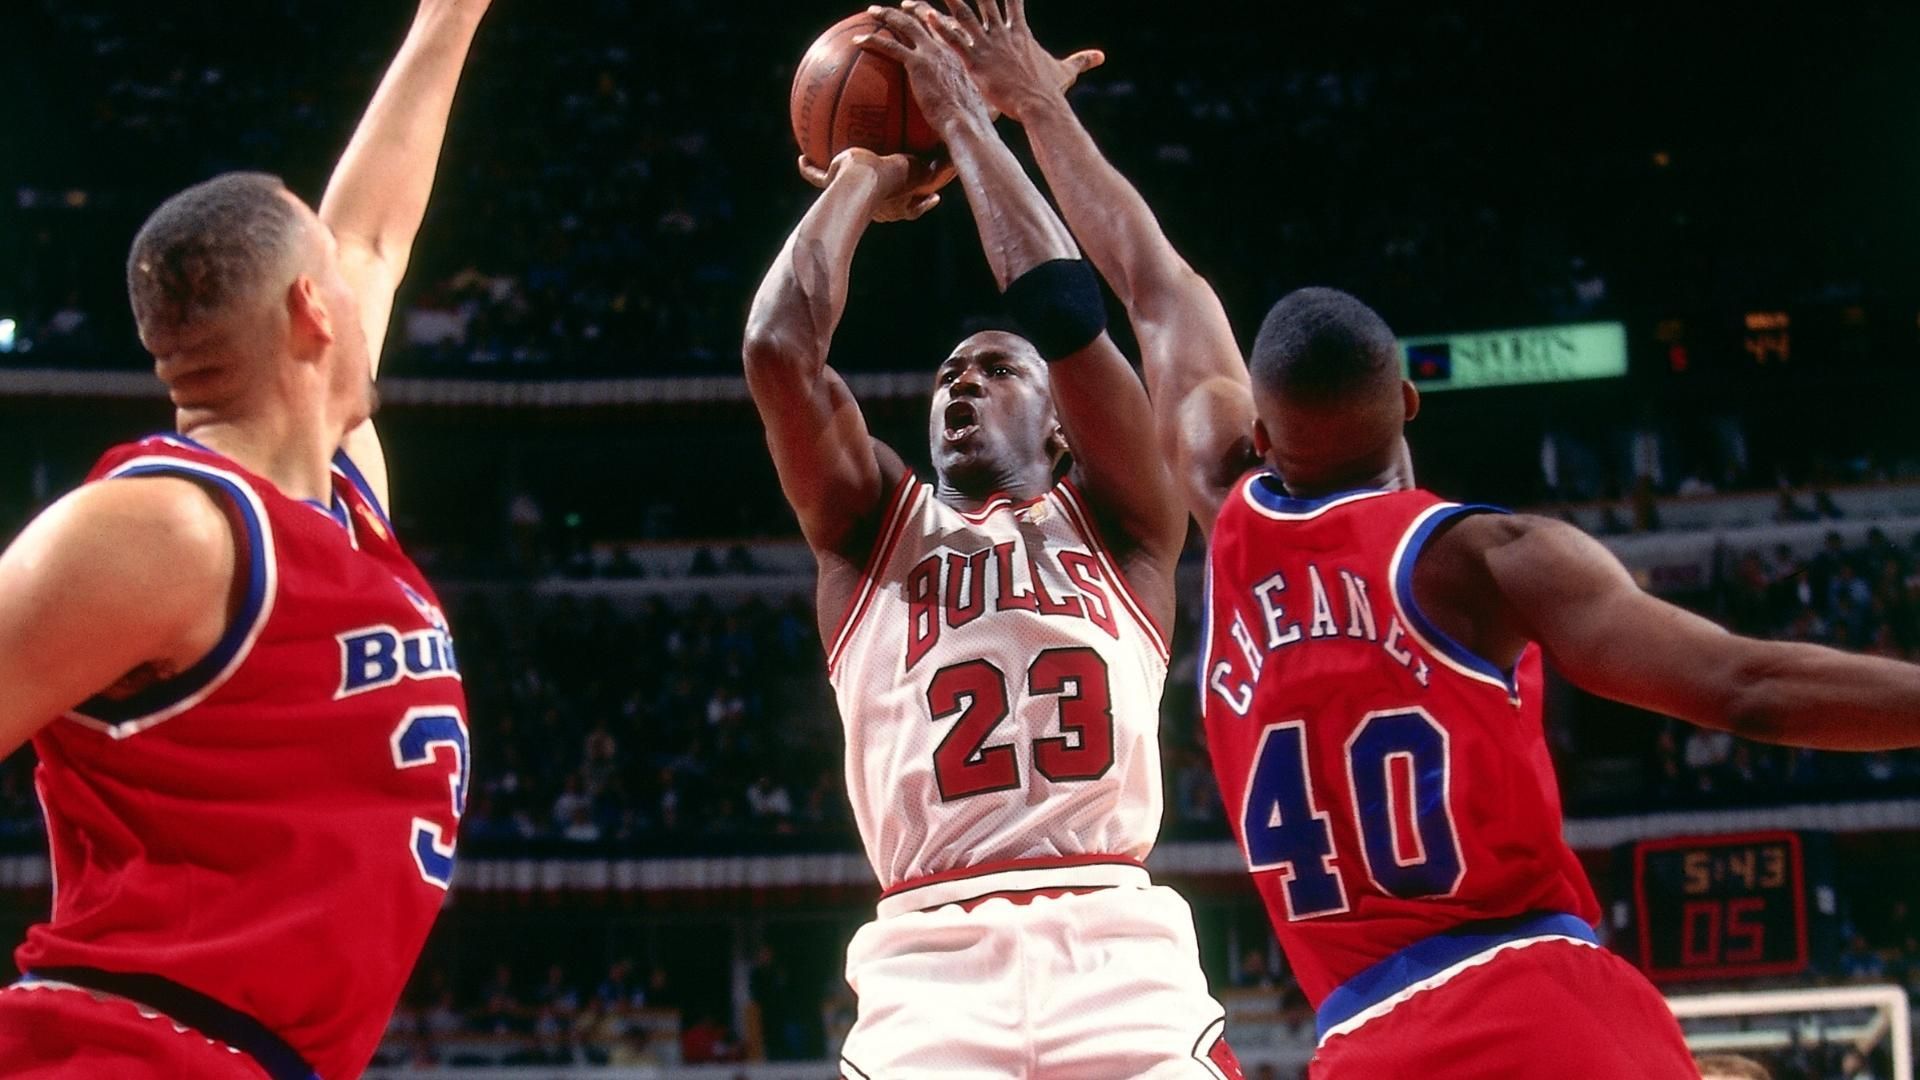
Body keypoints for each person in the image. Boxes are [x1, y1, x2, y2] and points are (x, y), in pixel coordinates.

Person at [929, 2, 1920, 1076]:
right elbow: (1748, 687)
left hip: (1366, 1041)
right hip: (1547, 1009)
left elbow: (1153, 278)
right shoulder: (1485, 559)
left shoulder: (1227, 493)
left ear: (1261, 431)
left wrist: (1030, 106)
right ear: (1408, 401)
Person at [742, 6, 1234, 1077]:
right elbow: (778, 349)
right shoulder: (871, 528)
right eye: (948, 375)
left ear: (1060, 423)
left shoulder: (1127, 519)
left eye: (995, 371)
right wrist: (863, 179)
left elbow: (1063, 312)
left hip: (1116, 943)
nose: (962, 383)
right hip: (927, 956)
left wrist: (969, 121)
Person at [0, 2, 489, 1077]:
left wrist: (452, 17)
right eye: (338, 279)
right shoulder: (165, 527)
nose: (368, 290)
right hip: (118, 1050)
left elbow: (368, 234)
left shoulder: (341, 499)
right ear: (315, 311)